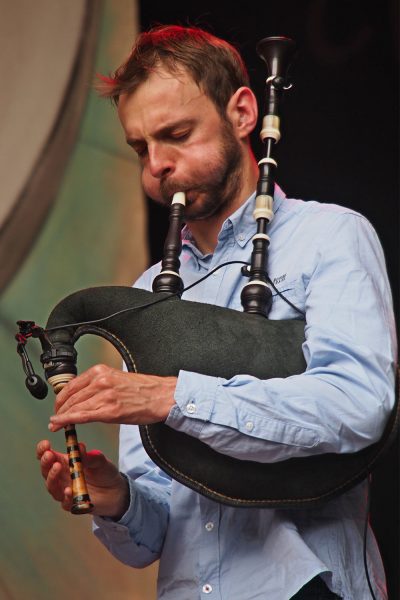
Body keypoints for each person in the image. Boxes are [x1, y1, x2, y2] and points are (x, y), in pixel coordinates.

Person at [36, 25, 396, 600]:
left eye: (177, 134)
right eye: (140, 147)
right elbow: (153, 538)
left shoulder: (329, 237)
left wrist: (170, 397)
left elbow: (356, 405)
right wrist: (118, 499)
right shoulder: (148, 290)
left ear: (244, 112)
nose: (156, 165)